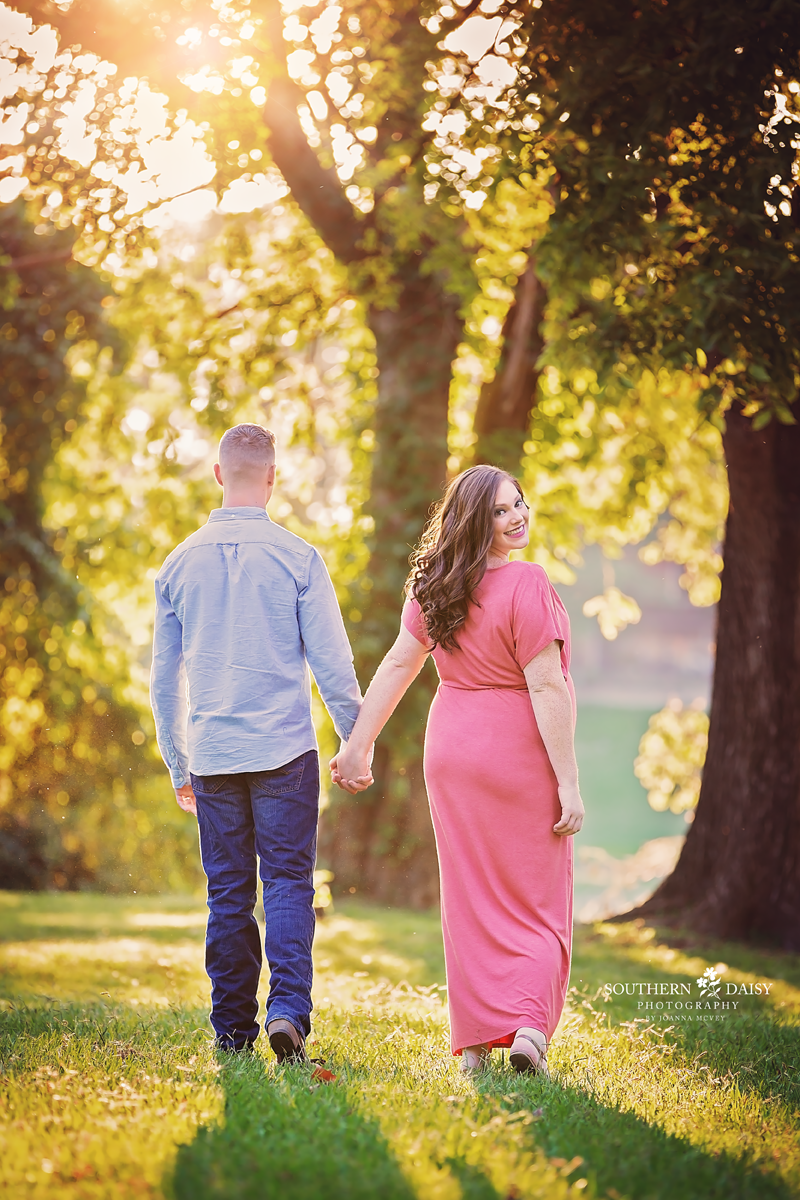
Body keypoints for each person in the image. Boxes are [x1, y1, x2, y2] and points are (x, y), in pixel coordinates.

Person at [331, 464, 583, 1075]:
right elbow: (547, 686)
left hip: (451, 751)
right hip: (516, 753)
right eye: (500, 510)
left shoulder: (436, 586)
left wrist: (358, 746)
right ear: (477, 521)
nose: (517, 516)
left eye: (518, 502)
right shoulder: (527, 583)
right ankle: (529, 1032)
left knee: (469, 898)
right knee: (539, 901)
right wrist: (569, 782)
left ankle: (474, 1046)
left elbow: (399, 664)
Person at [150, 423, 363, 1060]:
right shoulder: (298, 558)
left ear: (219, 474)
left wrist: (177, 761)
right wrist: (356, 742)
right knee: (289, 883)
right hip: (284, 753)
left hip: (214, 755)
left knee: (228, 894)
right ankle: (289, 1011)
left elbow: (164, 681)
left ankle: (233, 1030)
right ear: (272, 477)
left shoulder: (177, 564)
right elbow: (333, 664)